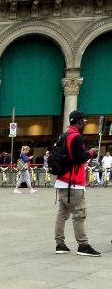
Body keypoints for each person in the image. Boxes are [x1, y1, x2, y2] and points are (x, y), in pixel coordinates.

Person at [55, 110, 100, 256]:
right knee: (79, 214)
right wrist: (90, 153)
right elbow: (78, 158)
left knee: (62, 214)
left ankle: (60, 244)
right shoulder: (76, 137)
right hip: (73, 182)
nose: (85, 124)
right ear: (79, 122)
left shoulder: (65, 135)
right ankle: (83, 245)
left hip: (62, 181)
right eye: (84, 122)